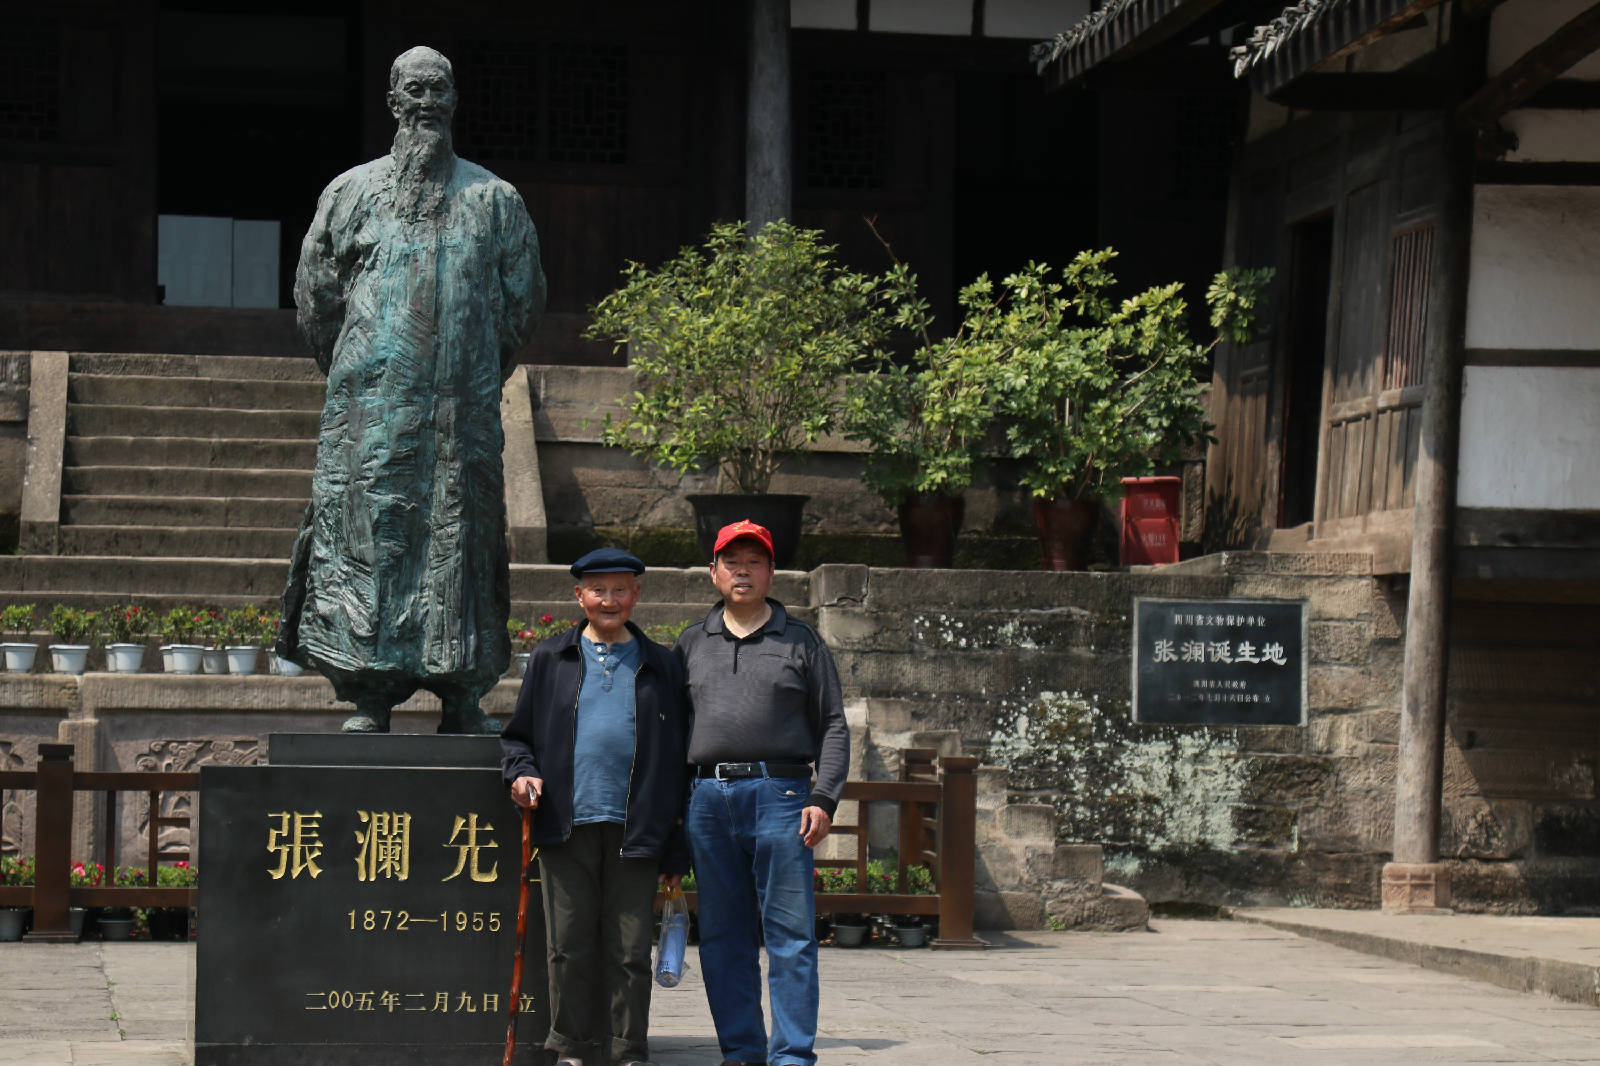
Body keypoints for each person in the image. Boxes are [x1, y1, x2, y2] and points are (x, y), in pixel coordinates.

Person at [276, 45, 546, 734]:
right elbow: (316, 300)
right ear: (394, 102)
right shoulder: (350, 193)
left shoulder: (494, 200)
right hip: (370, 411)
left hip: (463, 411)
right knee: (371, 539)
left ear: (454, 102)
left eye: (440, 91)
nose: (427, 104)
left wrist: (471, 367)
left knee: (464, 541)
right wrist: (365, 369)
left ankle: (462, 694)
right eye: (415, 91)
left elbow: (521, 305)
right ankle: (369, 694)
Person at [501, 547, 689, 1066]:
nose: (610, 599)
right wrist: (522, 775)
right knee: (568, 945)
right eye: (599, 590)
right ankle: (571, 1047)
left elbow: (679, 754)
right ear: (578, 595)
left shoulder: (661, 665)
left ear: (636, 595)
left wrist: (676, 835)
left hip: (638, 826)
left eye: (621, 589)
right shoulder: (551, 659)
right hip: (566, 823)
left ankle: (629, 1048)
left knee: (629, 949)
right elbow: (518, 740)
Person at [675, 520, 849, 1066]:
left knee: (790, 935)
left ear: (772, 572)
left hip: (783, 794)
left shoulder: (801, 640)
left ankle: (792, 1054)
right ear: (713, 573)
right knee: (724, 936)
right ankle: (742, 1051)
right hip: (707, 798)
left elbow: (834, 725)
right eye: (731, 561)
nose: (742, 571)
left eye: (754, 561)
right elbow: (673, 729)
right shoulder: (690, 643)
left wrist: (823, 798)